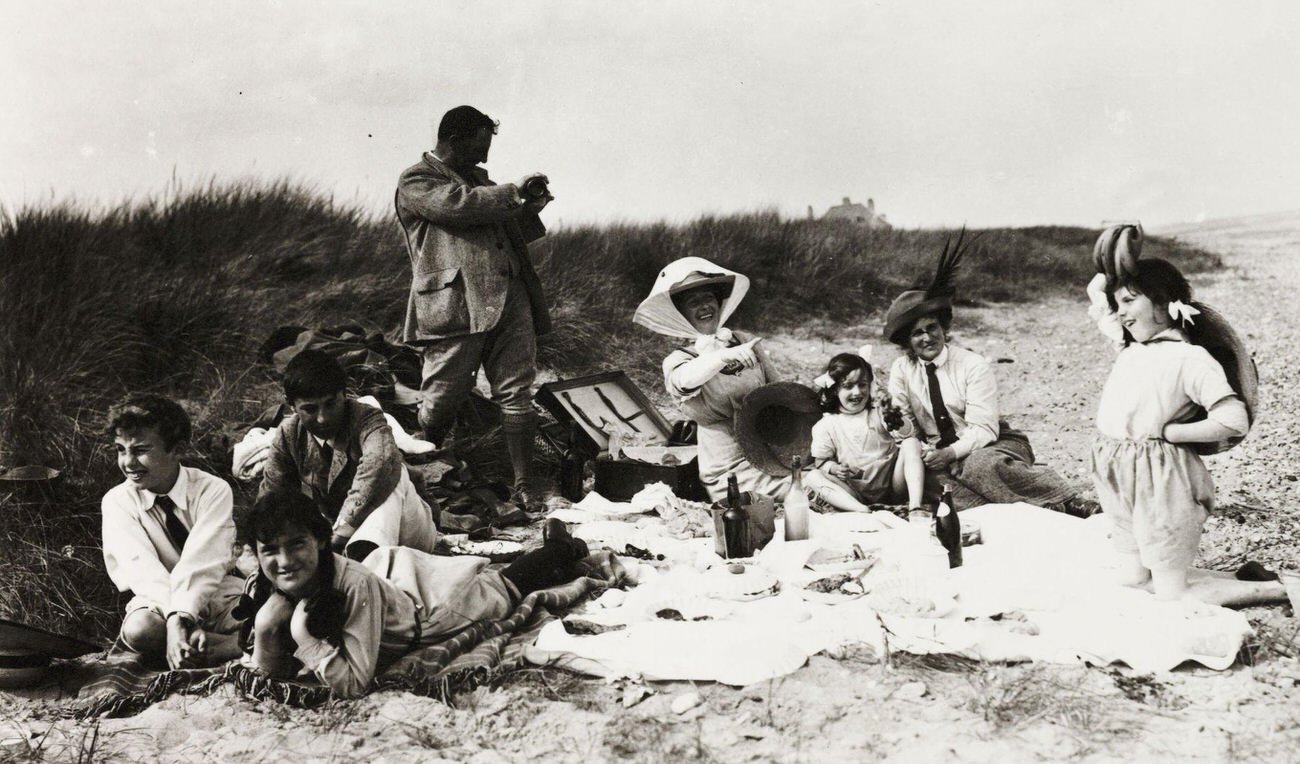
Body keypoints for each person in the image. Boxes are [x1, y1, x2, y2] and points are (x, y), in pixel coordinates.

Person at [240, 490, 601, 698]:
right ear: (256, 552)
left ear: (319, 540)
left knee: (499, 588)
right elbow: (272, 673)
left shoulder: (353, 586)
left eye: (297, 544)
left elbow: (354, 684)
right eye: (270, 549)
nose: (284, 561)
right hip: (395, 586)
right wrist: (266, 625)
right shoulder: (270, 580)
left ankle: (559, 550)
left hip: (433, 614)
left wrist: (304, 636)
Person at [395, 105, 553, 510]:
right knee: (442, 399)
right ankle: (421, 477)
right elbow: (459, 206)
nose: (485, 158)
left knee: (517, 392)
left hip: (509, 298)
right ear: (453, 140)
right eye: (479, 148)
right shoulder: (417, 180)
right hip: (456, 304)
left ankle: (524, 483)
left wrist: (528, 208)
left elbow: (506, 227)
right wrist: (513, 192)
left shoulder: (482, 183)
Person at [883, 231, 1094, 514]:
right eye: (916, 334)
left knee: (980, 466)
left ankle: (1068, 500)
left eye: (931, 328)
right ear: (907, 341)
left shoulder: (972, 365)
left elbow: (984, 428)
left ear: (944, 328)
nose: (926, 338)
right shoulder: (902, 370)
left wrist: (952, 453)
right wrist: (904, 430)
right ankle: (1027, 509)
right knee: (932, 485)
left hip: (993, 443)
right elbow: (906, 426)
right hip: (940, 455)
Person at [1087, 262, 1249, 600]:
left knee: (1170, 591)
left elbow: (1235, 419)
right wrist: (1117, 260)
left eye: (1130, 301)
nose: (1121, 314)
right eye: (1118, 305)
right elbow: (1097, 294)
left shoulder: (1190, 358)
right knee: (1131, 577)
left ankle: (1271, 589)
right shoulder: (1130, 344)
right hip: (1114, 470)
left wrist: (1175, 433)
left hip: (1160, 480)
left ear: (1163, 303)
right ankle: (1239, 579)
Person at [101, 395, 243, 669]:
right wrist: (174, 618)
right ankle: (218, 644)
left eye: (141, 449)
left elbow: (205, 561)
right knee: (140, 630)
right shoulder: (117, 501)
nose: (128, 463)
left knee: (271, 616)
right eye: (121, 449)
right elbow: (143, 572)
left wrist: (180, 621)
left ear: (177, 450)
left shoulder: (211, 489)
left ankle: (211, 643)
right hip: (158, 598)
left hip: (216, 589)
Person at [258, 349, 438, 562]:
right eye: (310, 409)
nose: (322, 418)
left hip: (410, 529)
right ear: (291, 405)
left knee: (391, 475)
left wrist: (341, 531)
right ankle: (359, 566)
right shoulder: (289, 434)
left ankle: (367, 569)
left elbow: (378, 465)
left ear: (344, 394)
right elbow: (273, 499)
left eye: (330, 404)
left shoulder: (368, 419)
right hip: (342, 537)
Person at [633, 257, 789, 501]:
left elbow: (779, 393)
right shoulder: (679, 360)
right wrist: (724, 357)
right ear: (683, 314)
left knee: (824, 476)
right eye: (694, 303)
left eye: (708, 298)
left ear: (719, 302)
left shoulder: (743, 340)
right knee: (806, 487)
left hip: (769, 454)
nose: (704, 306)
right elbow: (685, 381)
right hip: (728, 470)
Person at [803, 350, 925, 517]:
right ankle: (862, 510)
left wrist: (893, 416)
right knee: (813, 477)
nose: (857, 392)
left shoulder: (877, 413)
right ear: (834, 390)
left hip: (893, 486)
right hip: (855, 492)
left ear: (870, 385)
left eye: (862, 384)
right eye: (848, 386)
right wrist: (834, 468)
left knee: (911, 443)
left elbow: (907, 432)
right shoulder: (826, 425)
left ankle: (915, 506)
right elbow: (821, 462)